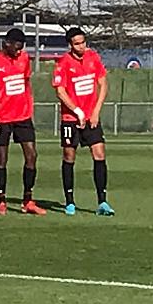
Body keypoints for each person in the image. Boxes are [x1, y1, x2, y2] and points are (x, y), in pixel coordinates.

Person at [52, 27, 115, 216]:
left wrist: (95, 111)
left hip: (91, 118)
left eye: (83, 42)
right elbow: (60, 91)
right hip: (71, 119)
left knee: (99, 154)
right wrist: (77, 110)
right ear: (70, 45)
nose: (81, 46)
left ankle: (102, 201)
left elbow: (103, 83)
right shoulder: (63, 63)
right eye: (76, 43)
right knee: (69, 156)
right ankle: (70, 201)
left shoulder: (93, 57)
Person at [0, 28, 46, 216]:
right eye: (16, 47)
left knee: (32, 155)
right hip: (1, 117)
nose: (19, 52)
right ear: (7, 44)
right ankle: (1, 200)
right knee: (2, 158)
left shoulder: (24, 59)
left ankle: (28, 199)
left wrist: (30, 107)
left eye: (22, 48)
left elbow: (26, 84)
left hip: (23, 117)